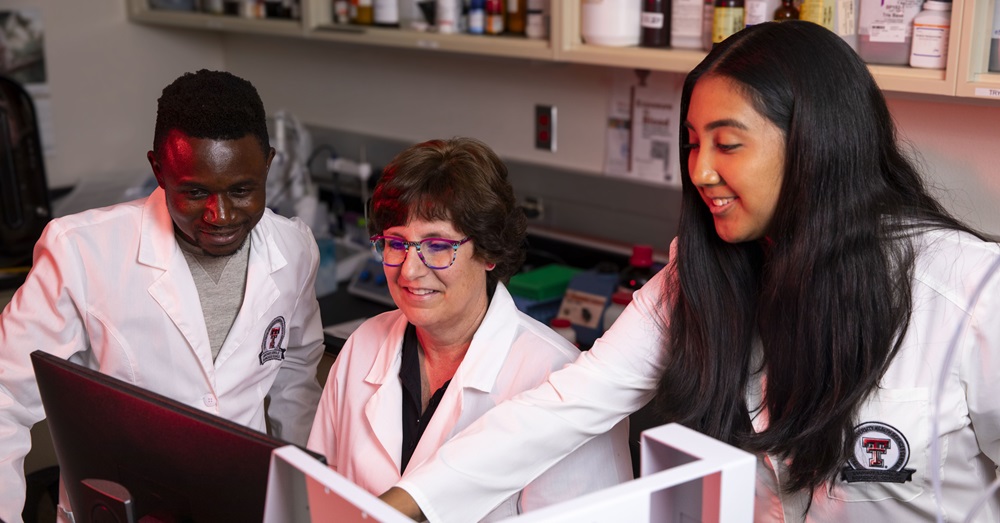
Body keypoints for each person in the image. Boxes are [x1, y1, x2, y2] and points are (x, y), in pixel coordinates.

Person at [380, 22, 1000, 522]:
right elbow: (566, 405)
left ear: (818, 143)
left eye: (727, 144)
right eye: (692, 143)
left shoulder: (969, 292)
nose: (700, 171)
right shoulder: (703, 272)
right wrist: (404, 508)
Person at [0, 69, 325, 522]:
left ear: (268, 164)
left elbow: (295, 385)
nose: (221, 214)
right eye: (194, 192)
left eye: (242, 190)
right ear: (158, 169)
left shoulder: (294, 248)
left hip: (242, 505)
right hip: (125, 508)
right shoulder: (81, 250)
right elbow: (4, 399)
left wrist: (306, 507)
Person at [307, 137, 633, 521]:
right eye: (396, 243)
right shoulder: (363, 347)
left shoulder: (558, 379)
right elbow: (317, 501)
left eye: (438, 245)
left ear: (489, 251)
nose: (410, 270)